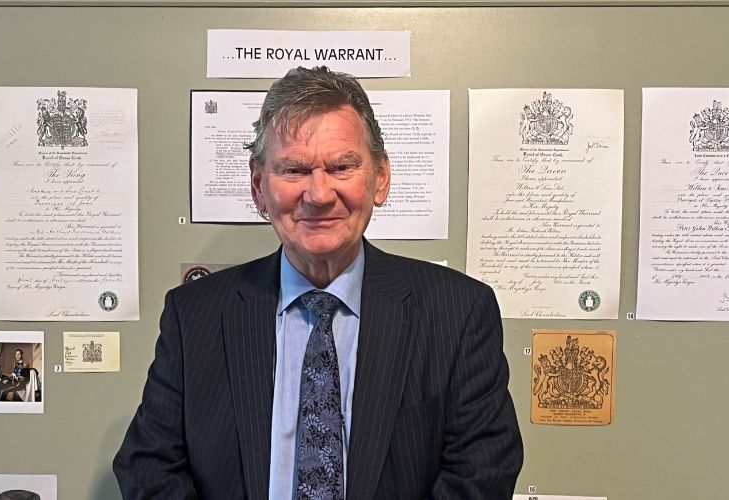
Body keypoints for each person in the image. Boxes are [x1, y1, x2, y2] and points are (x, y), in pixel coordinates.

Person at [114, 66, 522, 500]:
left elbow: (482, 473)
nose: (319, 194)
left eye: (342, 166)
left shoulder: (457, 313)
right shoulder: (194, 315)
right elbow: (149, 467)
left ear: (380, 178)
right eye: (293, 170)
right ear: (258, 186)